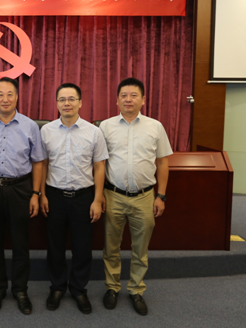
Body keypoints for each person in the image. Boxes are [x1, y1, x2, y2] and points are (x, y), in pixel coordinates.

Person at [99, 77, 173, 316]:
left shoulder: (155, 126)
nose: (128, 99)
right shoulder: (105, 127)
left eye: (133, 95)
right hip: (113, 195)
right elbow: (98, 163)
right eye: (124, 95)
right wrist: (99, 195)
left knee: (140, 248)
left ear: (143, 99)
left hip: (144, 197)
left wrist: (161, 195)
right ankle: (112, 287)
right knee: (111, 246)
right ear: (117, 100)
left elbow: (163, 163)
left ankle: (136, 289)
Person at [0, 77, 44, 315]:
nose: (5, 99)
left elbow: (38, 162)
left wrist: (35, 194)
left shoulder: (30, 126)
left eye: (10, 94)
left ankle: (20, 290)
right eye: (0, 94)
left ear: (17, 97)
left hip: (20, 189)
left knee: (21, 244)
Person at [39, 83, 108, 314]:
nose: (66, 103)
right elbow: (42, 164)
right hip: (54, 196)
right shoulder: (46, 131)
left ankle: (79, 289)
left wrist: (97, 199)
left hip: (84, 197)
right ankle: (57, 287)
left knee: (82, 247)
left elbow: (99, 167)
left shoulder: (94, 132)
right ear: (56, 103)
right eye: (62, 99)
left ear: (80, 102)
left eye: (71, 99)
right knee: (55, 246)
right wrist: (41, 194)